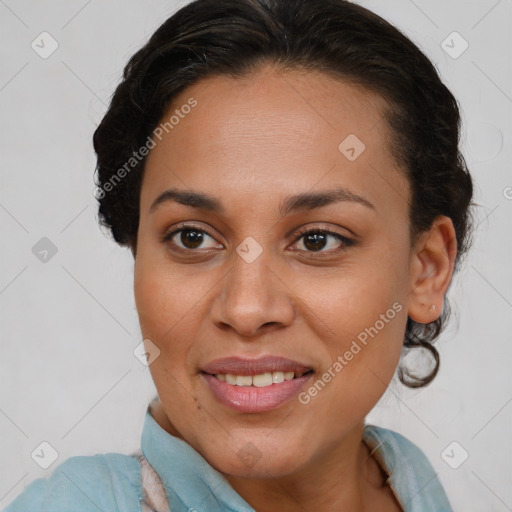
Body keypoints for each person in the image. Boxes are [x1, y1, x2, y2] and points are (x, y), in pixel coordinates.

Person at [5, 0, 474, 510]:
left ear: (425, 270)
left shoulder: (408, 479)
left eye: (317, 239)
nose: (247, 309)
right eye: (192, 238)